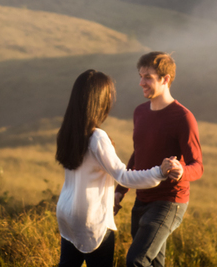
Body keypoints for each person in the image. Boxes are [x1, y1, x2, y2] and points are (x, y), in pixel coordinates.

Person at [55, 69, 183, 267]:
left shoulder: (68, 132)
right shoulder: (97, 137)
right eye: (108, 95)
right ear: (98, 100)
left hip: (66, 213)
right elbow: (123, 176)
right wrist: (159, 172)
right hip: (91, 218)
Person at [114, 51, 203, 267]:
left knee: (136, 260)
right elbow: (138, 154)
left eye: (148, 77)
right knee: (154, 264)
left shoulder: (183, 117)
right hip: (141, 198)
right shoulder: (140, 112)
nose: (141, 83)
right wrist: (120, 191)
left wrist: (181, 171)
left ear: (165, 79)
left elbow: (198, 166)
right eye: (140, 76)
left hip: (169, 202)